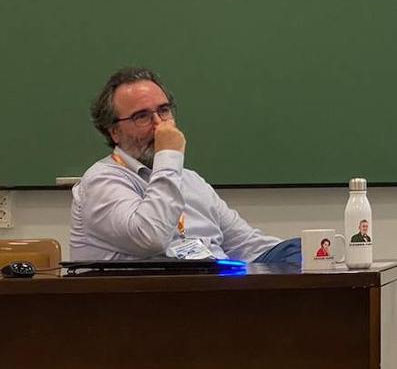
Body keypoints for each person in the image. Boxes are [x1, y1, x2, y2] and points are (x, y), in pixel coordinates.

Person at [70, 67, 299, 263]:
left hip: (212, 295)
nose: (160, 124)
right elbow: (151, 237)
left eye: (164, 110)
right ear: (114, 131)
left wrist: (303, 254)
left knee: (298, 254)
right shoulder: (101, 180)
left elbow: (249, 246)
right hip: (144, 304)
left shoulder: (190, 180)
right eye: (142, 116)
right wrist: (168, 154)